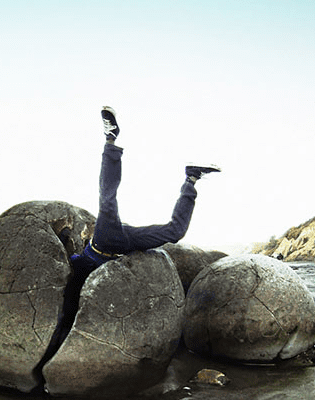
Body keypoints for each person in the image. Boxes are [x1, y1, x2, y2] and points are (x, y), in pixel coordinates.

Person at [69, 106, 220, 286]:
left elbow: (70, 257)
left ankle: (110, 137)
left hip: (105, 240)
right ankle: (192, 177)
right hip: (127, 244)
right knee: (175, 233)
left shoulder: (77, 266)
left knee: (107, 199)